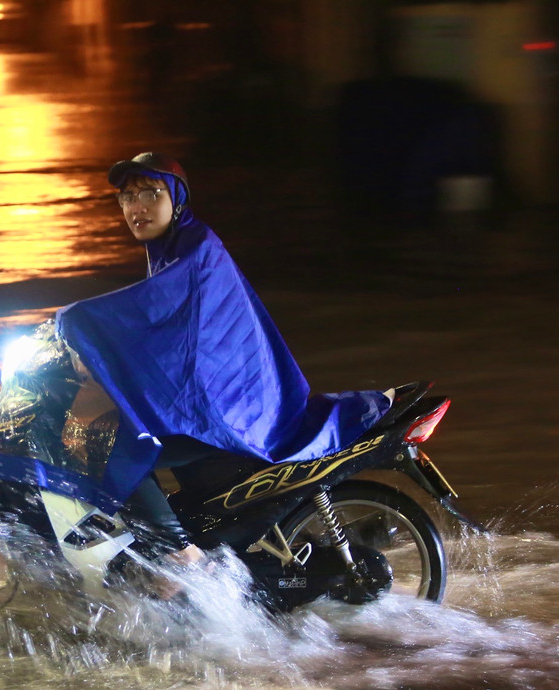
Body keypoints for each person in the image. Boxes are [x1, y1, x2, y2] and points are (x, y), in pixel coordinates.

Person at [55, 152, 389, 565]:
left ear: (177, 199)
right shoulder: (170, 250)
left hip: (235, 410)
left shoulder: (195, 250)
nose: (136, 206)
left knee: (114, 445)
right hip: (221, 398)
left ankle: (181, 554)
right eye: (127, 197)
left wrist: (75, 322)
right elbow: (161, 331)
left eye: (150, 193)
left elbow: (148, 308)